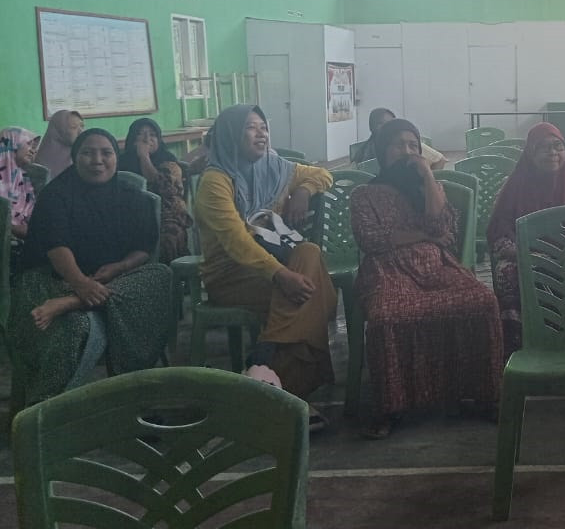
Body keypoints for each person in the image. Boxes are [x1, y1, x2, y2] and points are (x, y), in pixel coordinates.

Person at [350, 118, 503, 439]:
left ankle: (485, 395)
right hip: (388, 270)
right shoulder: (364, 194)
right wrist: (422, 235)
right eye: (398, 145)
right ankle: (390, 408)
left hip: (437, 267)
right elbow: (372, 240)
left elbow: (442, 229)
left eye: (413, 146)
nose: (407, 152)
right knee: (386, 314)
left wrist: (428, 176)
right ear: (383, 150)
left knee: (483, 301)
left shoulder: (431, 189)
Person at [194, 104, 338, 425]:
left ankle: (263, 368)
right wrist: (281, 275)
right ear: (230, 135)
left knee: (309, 252)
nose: (260, 134)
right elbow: (237, 242)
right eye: (250, 127)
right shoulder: (215, 182)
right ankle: (286, 392)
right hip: (231, 275)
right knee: (315, 297)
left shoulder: (274, 168)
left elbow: (323, 174)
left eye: (263, 127)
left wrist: (304, 190)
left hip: (276, 265)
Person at [9, 128, 170, 406]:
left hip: (110, 279)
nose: (97, 160)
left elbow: (143, 248)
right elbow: (56, 246)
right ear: (75, 157)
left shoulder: (131, 196)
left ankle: (71, 303)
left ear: (116, 157)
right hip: (52, 278)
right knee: (74, 326)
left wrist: (119, 267)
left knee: (160, 275)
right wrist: (81, 284)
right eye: (87, 153)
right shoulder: (57, 194)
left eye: (106, 153)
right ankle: (47, 412)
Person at [487, 122, 565, 358]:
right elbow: (499, 228)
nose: (553, 152)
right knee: (508, 272)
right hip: (525, 253)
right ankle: (519, 347)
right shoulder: (517, 184)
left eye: (558, 146)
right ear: (530, 153)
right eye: (544, 147)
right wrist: (521, 252)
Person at [118, 118, 192, 264]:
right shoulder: (121, 161)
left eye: (152, 135)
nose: (147, 139)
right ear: (132, 139)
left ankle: (169, 274)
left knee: (169, 237)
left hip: (164, 217)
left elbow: (161, 188)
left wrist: (144, 156)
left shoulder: (169, 161)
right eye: (141, 134)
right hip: (130, 215)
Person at [357, 108, 445, 170]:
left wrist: (428, 180)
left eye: (392, 123)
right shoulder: (365, 151)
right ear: (373, 127)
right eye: (381, 123)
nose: (406, 151)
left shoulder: (412, 146)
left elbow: (440, 160)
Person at [2, 127, 40, 263]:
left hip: (23, 233)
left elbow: (32, 211)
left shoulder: (22, 176)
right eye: (29, 144)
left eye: (34, 147)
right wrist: (12, 228)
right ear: (12, 143)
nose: (33, 150)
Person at [33, 109, 84, 179]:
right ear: (59, 130)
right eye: (74, 127)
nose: (81, 131)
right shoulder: (41, 164)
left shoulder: (82, 155)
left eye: (82, 126)